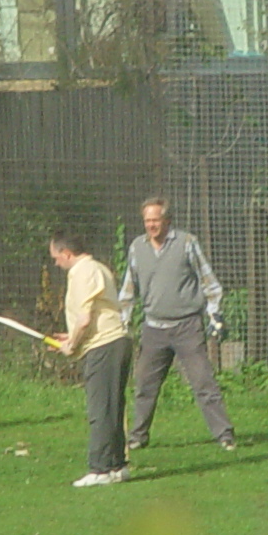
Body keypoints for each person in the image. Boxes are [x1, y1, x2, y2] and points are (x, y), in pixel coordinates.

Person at [119, 198, 237, 453]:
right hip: (153, 329)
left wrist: (214, 314)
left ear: (167, 220)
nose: (151, 225)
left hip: (187, 327)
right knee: (144, 385)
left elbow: (210, 282)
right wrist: (123, 320)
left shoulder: (186, 243)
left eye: (156, 220)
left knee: (203, 382)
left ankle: (224, 435)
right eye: (147, 220)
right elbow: (129, 289)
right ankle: (137, 436)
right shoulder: (137, 247)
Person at [49, 229, 130, 486]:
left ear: (66, 253)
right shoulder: (97, 268)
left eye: (56, 257)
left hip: (104, 346)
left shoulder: (81, 272)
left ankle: (100, 470)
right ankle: (117, 466)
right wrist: (70, 337)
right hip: (115, 342)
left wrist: (71, 345)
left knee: (100, 408)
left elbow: (84, 319)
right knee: (113, 407)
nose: (55, 263)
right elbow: (92, 315)